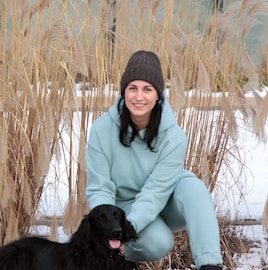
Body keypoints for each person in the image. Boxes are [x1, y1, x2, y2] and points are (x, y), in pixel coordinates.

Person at [85, 50, 224, 270]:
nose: (139, 97)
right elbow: (99, 188)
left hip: (164, 197)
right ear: (123, 92)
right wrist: (112, 229)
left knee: (195, 191)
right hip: (122, 207)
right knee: (158, 243)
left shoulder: (174, 137)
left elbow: (155, 192)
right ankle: (118, 254)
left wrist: (131, 226)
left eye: (147, 89)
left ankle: (210, 266)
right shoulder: (101, 130)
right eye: (132, 88)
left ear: (158, 95)